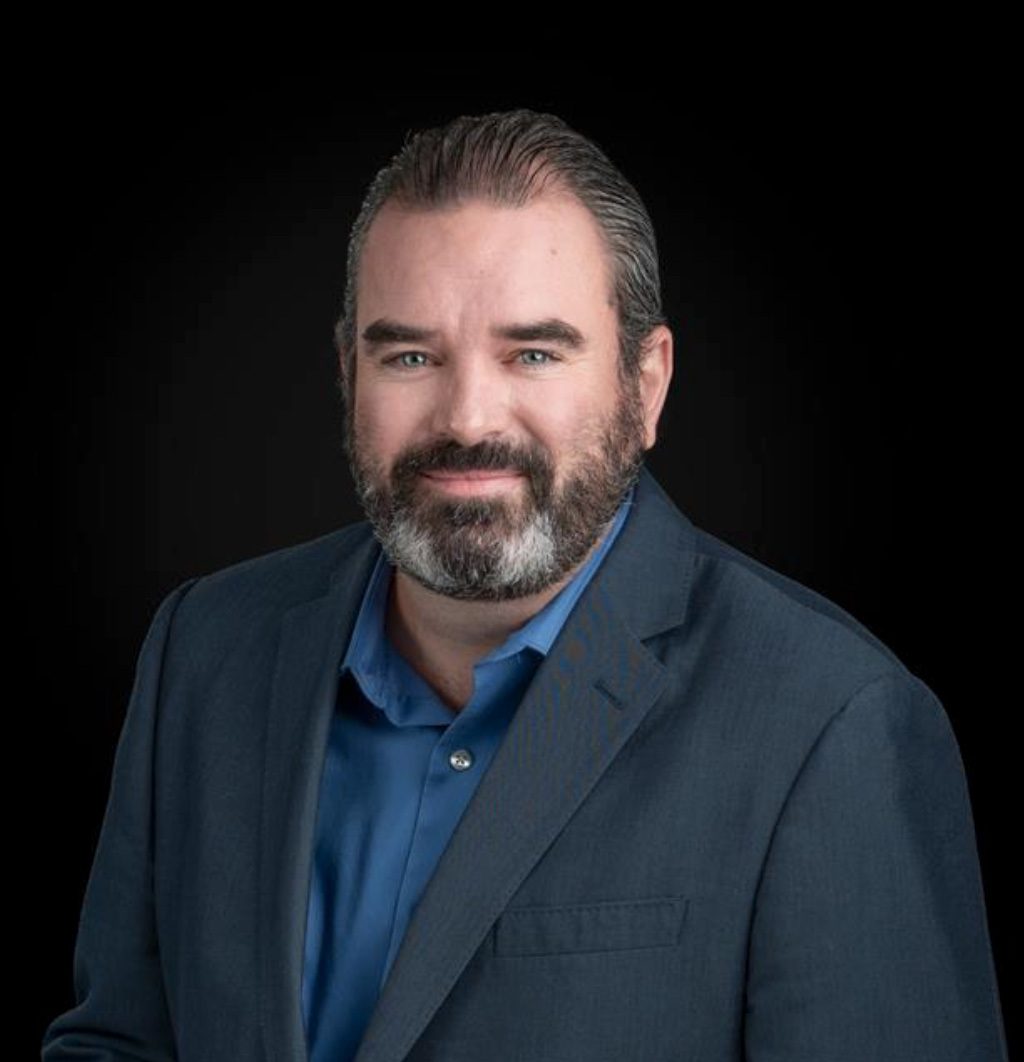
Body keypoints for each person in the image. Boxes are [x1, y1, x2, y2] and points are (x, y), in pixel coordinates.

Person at [42, 108, 1008, 1062]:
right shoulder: (205, 651)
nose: (467, 419)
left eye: (534, 354)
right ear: (347, 373)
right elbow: (118, 1043)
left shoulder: (833, 723)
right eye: (410, 355)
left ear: (647, 383)